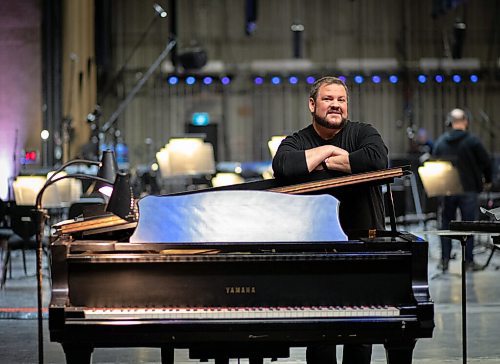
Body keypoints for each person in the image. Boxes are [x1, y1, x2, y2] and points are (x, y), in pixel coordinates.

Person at [272, 76, 389, 364]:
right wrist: (329, 152)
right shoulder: (296, 140)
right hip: (317, 249)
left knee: (362, 333)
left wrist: (318, 164)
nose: (335, 105)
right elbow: (284, 166)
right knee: (321, 333)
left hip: (364, 244)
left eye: (341, 100)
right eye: (328, 99)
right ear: (312, 104)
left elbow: (376, 160)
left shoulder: (364, 133)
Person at [432, 108, 492, 272]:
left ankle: (444, 261)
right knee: (469, 226)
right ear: (465, 121)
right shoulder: (473, 141)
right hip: (469, 190)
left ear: (450, 122)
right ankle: (468, 262)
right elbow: (487, 162)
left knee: (446, 226)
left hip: (447, 190)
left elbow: (433, 164)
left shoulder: (441, 142)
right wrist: (488, 180)